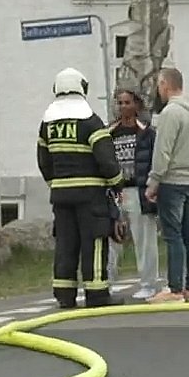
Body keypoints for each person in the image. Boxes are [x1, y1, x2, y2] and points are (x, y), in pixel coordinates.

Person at [36, 67, 125, 309]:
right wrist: (118, 183)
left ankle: (65, 295)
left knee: (66, 243)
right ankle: (97, 294)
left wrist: (55, 185)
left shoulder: (48, 125)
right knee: (94, 242)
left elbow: (44, 161)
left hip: (61, 195)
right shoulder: (90, 122)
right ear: (82, 89)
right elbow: (106, 159)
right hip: (90, 195)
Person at [144, 66, 189, 303]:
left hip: (173, 181)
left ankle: (174, 288)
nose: (158, 90)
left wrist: (154, 181)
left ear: (165, 84)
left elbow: (163, 150)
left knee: (173, 236)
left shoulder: (171, 113)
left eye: (159, 85)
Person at [109, 88, 162, 301]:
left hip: (138, 190)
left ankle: (148, 283)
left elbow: (154, 161)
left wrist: (153, 187)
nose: (123, 107)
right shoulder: (109, 132)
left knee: (145, 239)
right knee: (112, 238)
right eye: (120, 103)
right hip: (117, 191)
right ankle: (108, 281)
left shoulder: (147, 132)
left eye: (127, 102)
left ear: (137, 105)